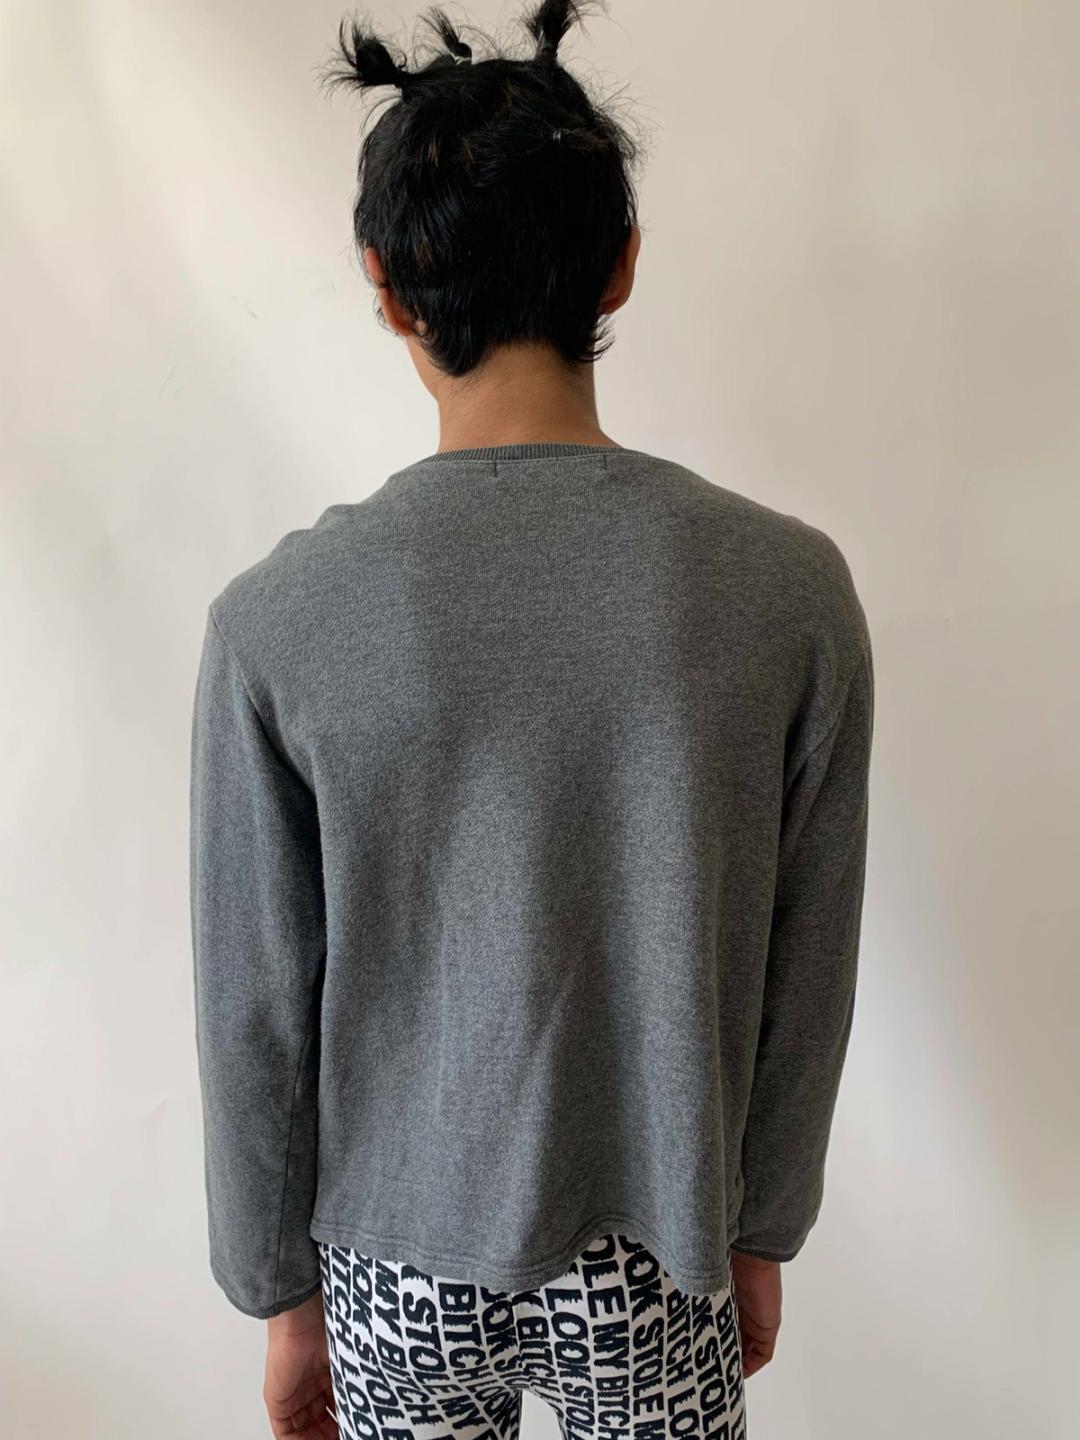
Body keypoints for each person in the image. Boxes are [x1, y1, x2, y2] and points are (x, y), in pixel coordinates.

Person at [188, 2, 875, 1436]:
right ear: (621, 261)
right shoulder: (788, 591)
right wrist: (763, 1228)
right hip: (661, 1250)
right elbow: (808, 955)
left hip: (393, 1265)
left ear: (386, 288)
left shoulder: (278, 620)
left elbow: (256, 1005)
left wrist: (282, 1298)